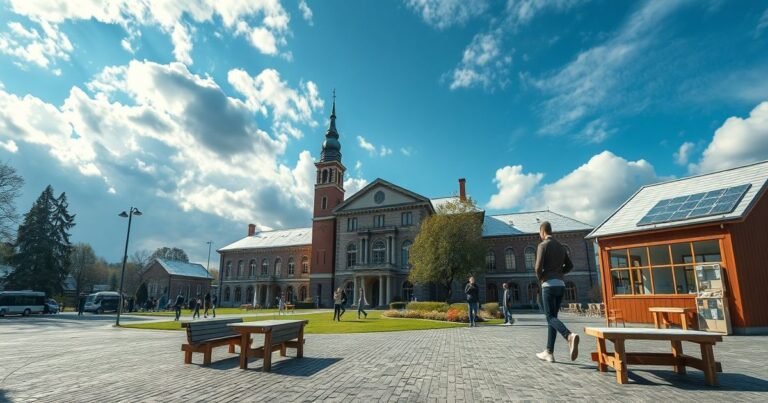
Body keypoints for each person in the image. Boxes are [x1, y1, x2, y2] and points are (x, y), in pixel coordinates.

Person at [534, 221, 579, 363]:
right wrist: (560, 273)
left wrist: (542, 278)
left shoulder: (542, 245)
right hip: (561, 285)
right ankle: (549, 352)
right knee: (553, 318)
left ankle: (569, 336)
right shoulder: (560, 247)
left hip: (548, 285)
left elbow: (537, 267)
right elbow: (570, 265)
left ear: (542, 232)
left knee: (549, 317)